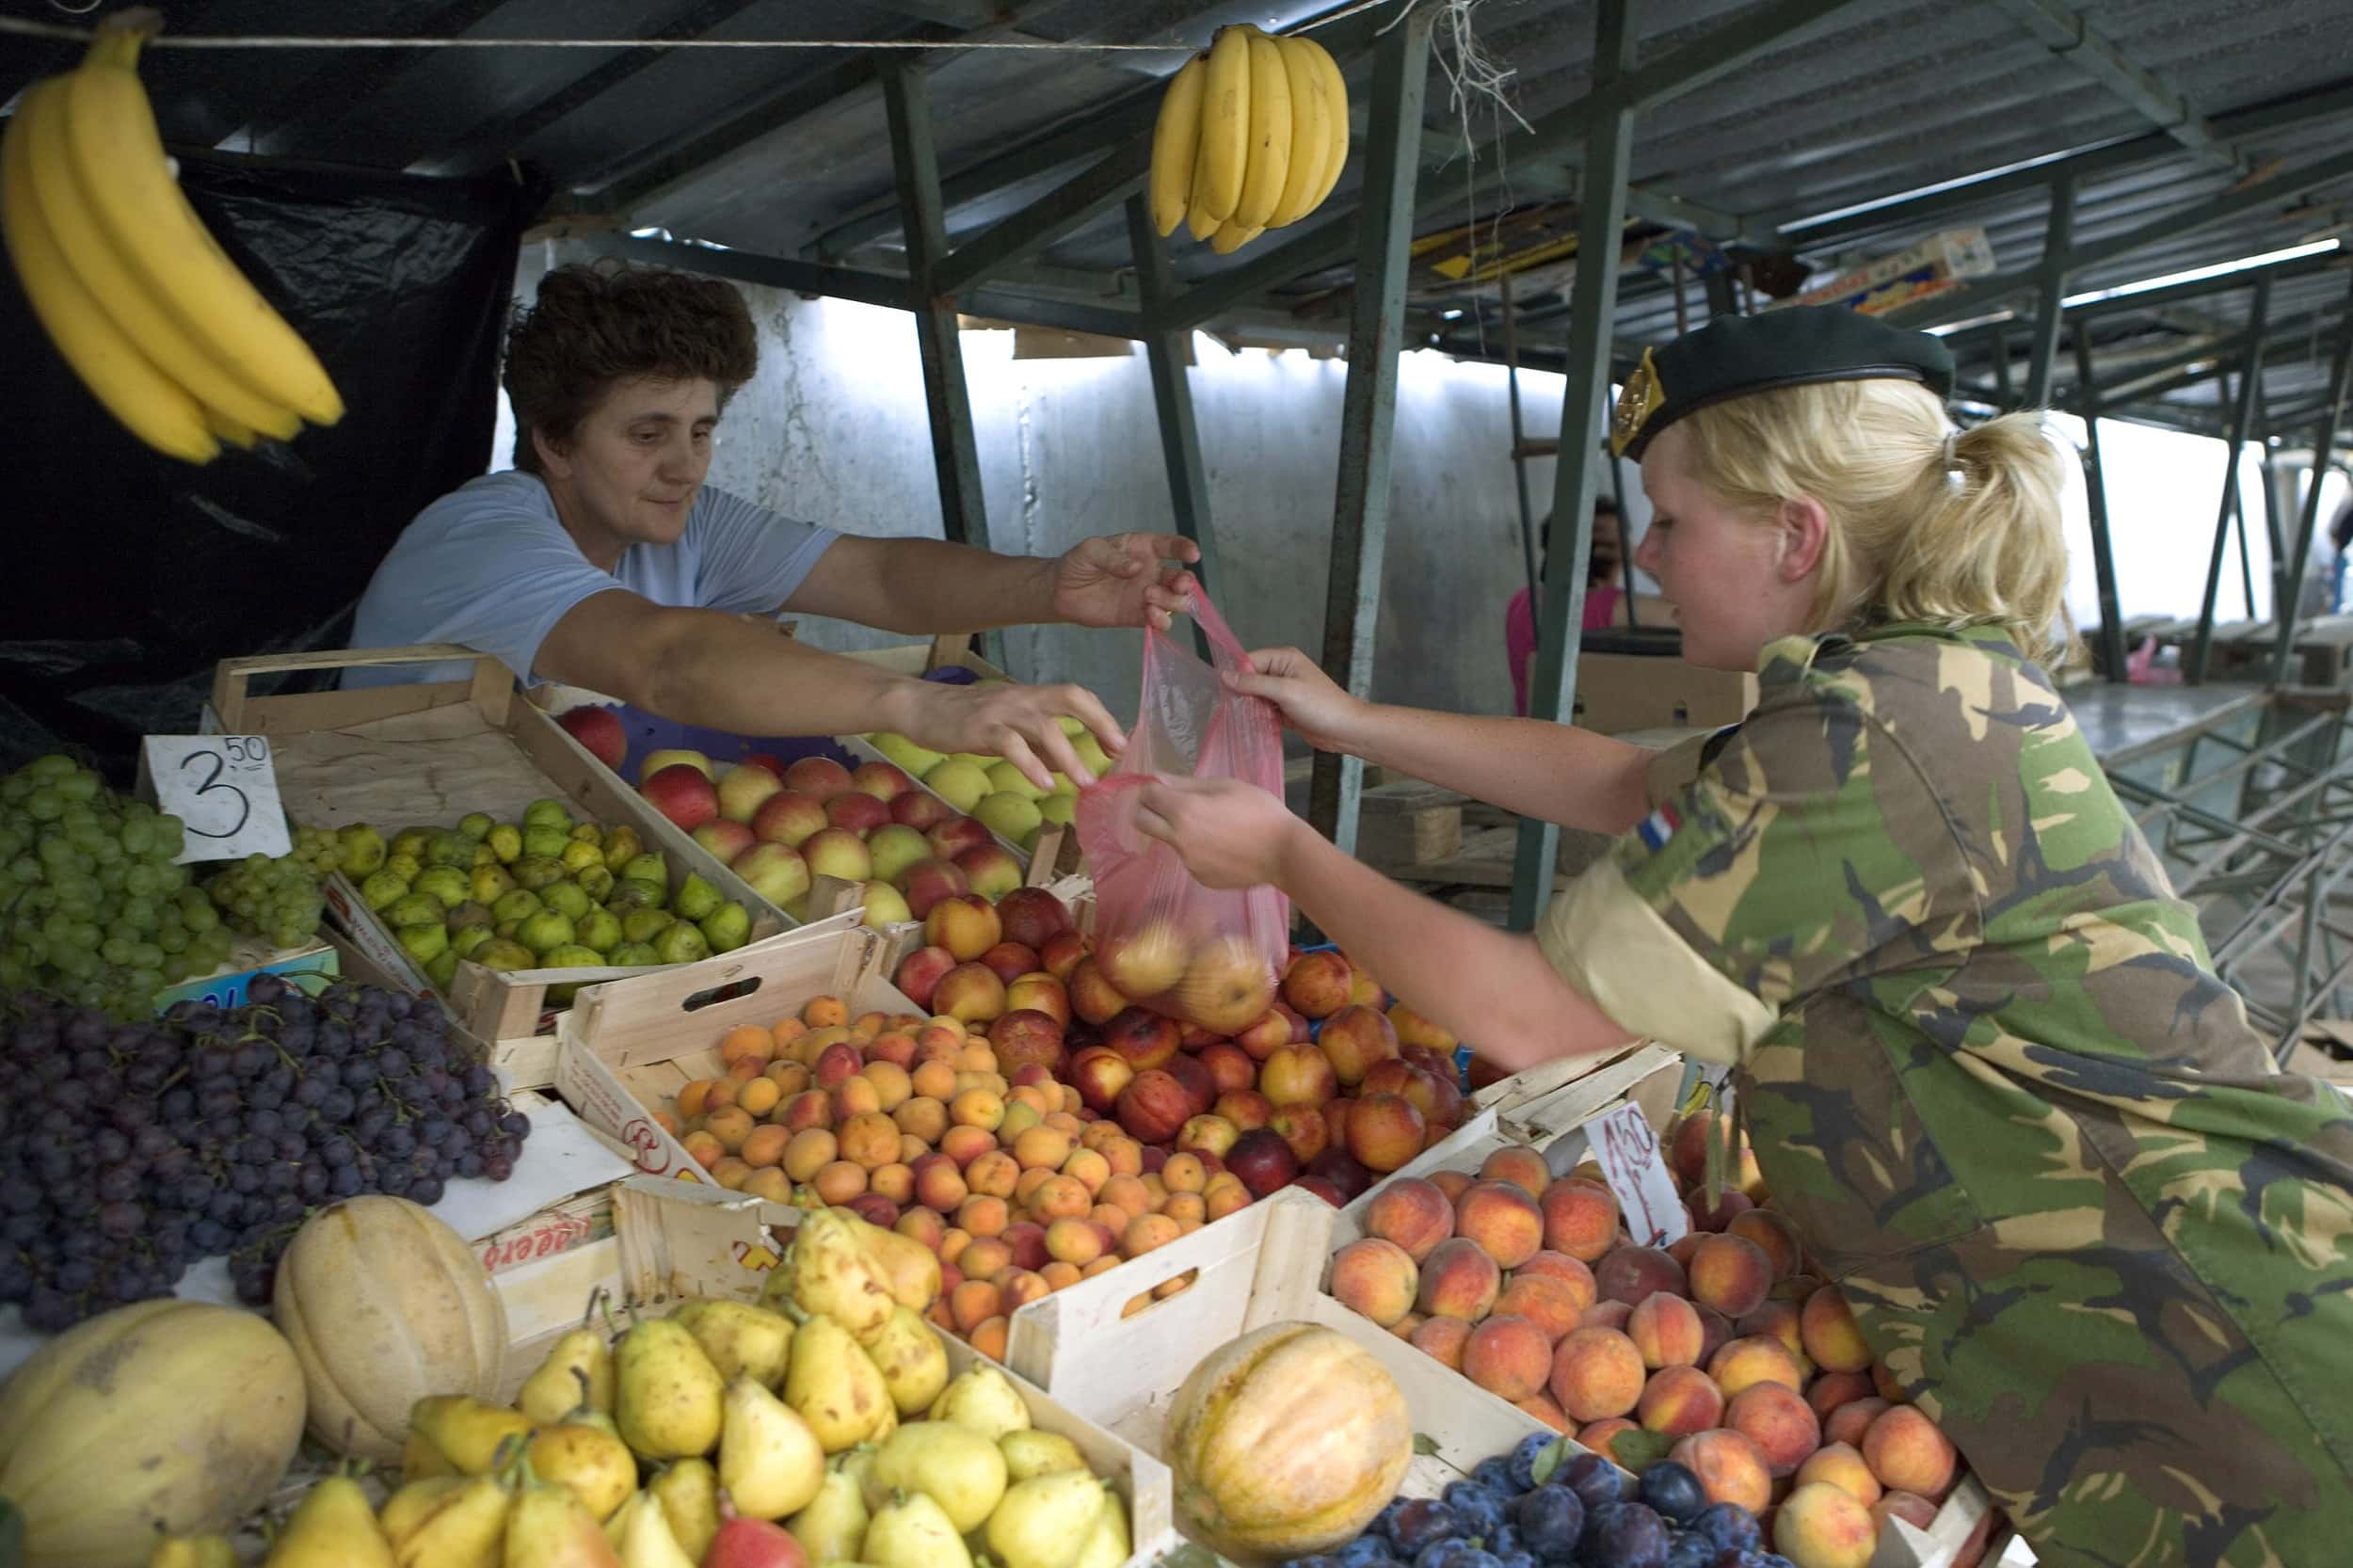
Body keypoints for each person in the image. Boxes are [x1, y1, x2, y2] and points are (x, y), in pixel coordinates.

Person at [1133, 308, 2353, 1563]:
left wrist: (1287, 852)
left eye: (1672, 519)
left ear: (1795, 535)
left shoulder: (1867, 732)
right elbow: (1620, 785)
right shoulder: (1897, 683)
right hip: (2178, 1326)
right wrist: (1353, 724)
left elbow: (1529, 1012)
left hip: (2252, 1369)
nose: (1648, 553)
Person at [347, 261, 1199, 788]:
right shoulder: (480, 539)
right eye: (648, 436)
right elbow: (665, 659)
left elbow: (876, 576)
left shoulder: (685, 524)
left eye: (703, 430)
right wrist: (910, 707)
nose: (687, 466)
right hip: (378, 851)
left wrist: (1046, 585)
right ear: (555, 443)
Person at [1502, 499, 1628, 716]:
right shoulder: (1613, 607)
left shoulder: (1523, 600)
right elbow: (1688, 613)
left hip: (1530, 733)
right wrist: (1631, 552)